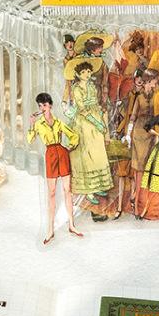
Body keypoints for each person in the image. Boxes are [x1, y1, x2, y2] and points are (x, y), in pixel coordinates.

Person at [27, 91, 82, 244]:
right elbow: (30, 140)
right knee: (51, 193)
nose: (42, 108)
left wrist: (69, 147)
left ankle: (71, 225)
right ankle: (50, 230)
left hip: (62, 154)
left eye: (44, 105)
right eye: (40, 105)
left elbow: (74, 136)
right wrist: (31, 124)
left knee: (67, 190)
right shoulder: (38, 124)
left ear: (50, 105)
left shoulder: (58, 122)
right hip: (50, 155)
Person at [67, 60, 113, 204]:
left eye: (88, 71)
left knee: (98, 153)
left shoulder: (92, 86)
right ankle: (89, 191)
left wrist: (102, 119)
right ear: (77, 74)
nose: (86, 74)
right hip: (84, 122)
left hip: (95, 117)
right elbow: (82, 109)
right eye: (83, 72)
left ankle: (97, 186)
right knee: (87, 155)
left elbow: (96, 103)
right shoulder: (76, 89)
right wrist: (97, 123)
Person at [118, 67, 158, 217]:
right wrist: (128, 134)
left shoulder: (156, 96)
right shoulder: (139, 97)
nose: (155, 83)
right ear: (148, 81)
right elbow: (133, 117)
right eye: (154, 81)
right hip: (139, 133)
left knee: (149, 168)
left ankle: (143, 203)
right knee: (139, 169)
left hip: (151, 133)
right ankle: (136, 205)